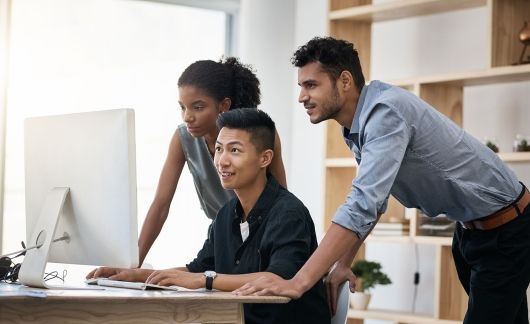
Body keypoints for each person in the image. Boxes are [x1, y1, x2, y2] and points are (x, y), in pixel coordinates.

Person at [234, 36, 530, 324]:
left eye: (311, 85)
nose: (302, 96)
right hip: (471, 231)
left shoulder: (385, 111)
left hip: (506, 229)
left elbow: (363, 202)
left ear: (345, 81)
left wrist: (298, 283)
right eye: (301, 86)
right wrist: (342, 263)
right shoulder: (355, 127)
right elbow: (374, 202)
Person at [88, 109, 331, 324]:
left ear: (264, 158)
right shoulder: (226, 215)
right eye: (218, 149)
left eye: (234, 150)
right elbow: (199, 268)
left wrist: (205, 281)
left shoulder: (288, 214)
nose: (222, 161)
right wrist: (135, 275)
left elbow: (278, 278)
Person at [138, 57, 287, 266]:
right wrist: (133, 263)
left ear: (223, 105)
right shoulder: (183, 139)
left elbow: (282, 200)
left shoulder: (259, 133)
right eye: (183, 107)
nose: (187, 117)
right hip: (223, 236)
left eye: (197, 107)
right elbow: (160, 205)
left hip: (264, 236)